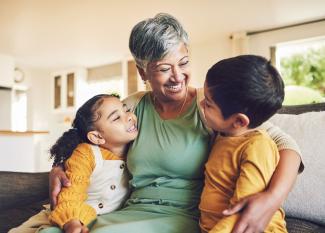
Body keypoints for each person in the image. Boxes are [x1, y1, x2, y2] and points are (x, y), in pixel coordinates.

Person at [11, 13, 302, 233]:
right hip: (130, 210)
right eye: (164, 68)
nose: (178, 76)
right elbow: (91, 134)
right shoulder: (133, 106)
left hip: (180, 217)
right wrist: (59, 167)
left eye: (184, 62)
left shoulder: (211, 106)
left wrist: (271, 197)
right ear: (143, 72)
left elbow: (283, 143)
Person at [12, 94, 138, 233]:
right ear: (97, 136)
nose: (130, 116)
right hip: (65, 217)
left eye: (126, 110)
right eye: (116, 118)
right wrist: (71, 222)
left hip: (105, 222)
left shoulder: (137, 151)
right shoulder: (86, 154)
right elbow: (71, 194)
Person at [199, 55, 288, 233]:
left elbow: (242, 212)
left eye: (208, 104)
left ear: (239, 121)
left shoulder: (258, 147)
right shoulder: (223, 135)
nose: (201, 103)